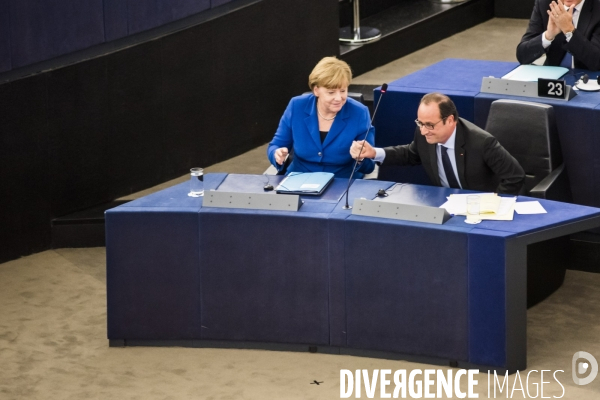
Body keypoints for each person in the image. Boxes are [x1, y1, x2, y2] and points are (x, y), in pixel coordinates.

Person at [349, 93, 525, 195]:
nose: (424, 131)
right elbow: (411, 154)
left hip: (479, 210)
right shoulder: (425, 134)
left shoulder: (482, 143)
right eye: (420, 123)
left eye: (430, 125)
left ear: (450, 120)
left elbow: (515, 176)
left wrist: (493, 203)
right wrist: (374, 153)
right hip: (445, 204)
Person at [267, 57, 375, 178]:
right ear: (316, 90)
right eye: (331, 92)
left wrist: (360, 158)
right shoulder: (296, 106)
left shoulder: (359, 113)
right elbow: (275, 145)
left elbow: (370, 165)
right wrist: (277, 154)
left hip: (341, 182)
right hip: (299, 179)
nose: (339, 98)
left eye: (343, 91)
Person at [517, 0, 600, 70]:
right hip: (553, 81)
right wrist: (548, 36)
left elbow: (597, 61)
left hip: (587, 78)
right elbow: (522, 55)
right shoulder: (545, 4)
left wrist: (569, 31)